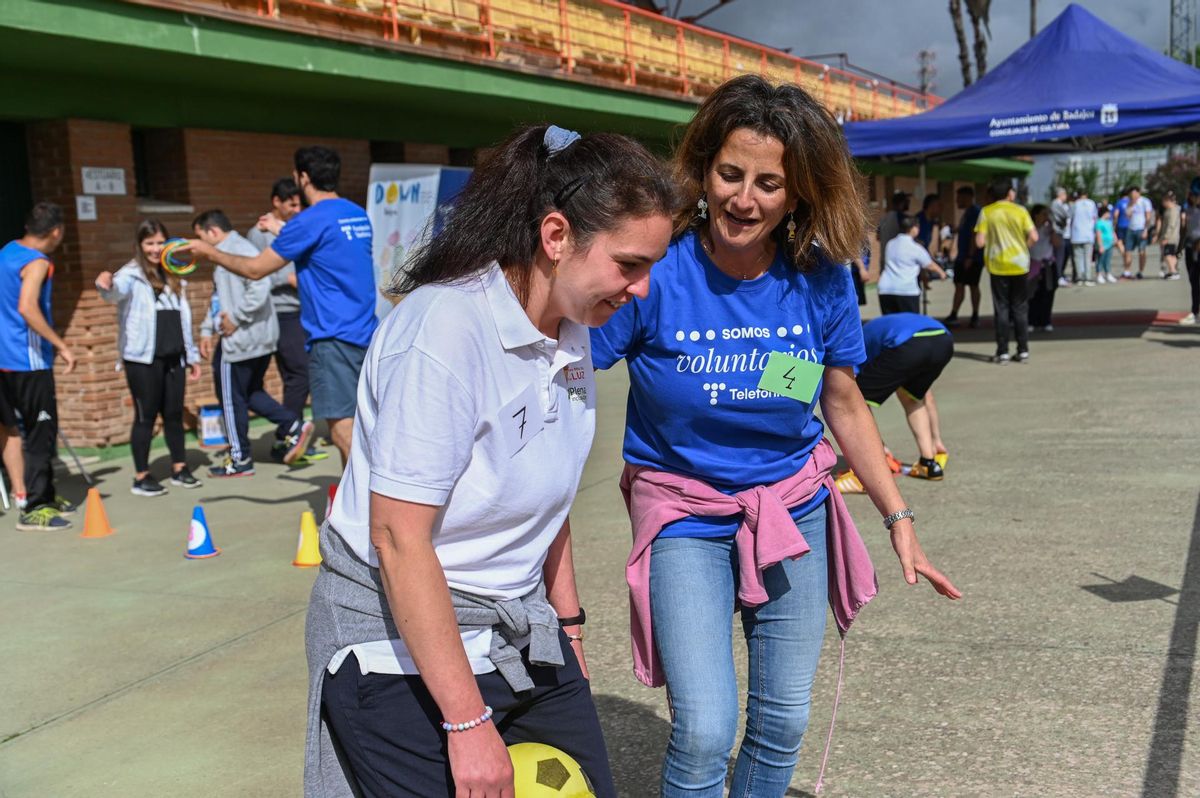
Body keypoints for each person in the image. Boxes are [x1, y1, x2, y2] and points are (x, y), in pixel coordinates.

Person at [591, 76, 960, 798]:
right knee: (702, 731)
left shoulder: (819, 278)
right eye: (731, 174)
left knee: (783, 722)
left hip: (792, 510)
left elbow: (841, 401)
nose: (744, 198)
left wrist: (899, 517)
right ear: (704, 169)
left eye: (769, 183)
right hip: (684, 519)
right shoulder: (658, 269)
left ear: (797, 194)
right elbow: (564, 366)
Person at [303, 125, 677, 798]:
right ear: (556, 236)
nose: (643, 288)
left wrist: (567, 628)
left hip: (518, 629)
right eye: (629, 264)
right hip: (401, 651)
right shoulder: (445, 328)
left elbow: (546, 496)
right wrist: (467, 720)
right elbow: (396, 536)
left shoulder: (571, 330)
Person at [181, 146, 377, 467]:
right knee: (365, 425)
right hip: (366, 333)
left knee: (343, 431)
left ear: (303, 177)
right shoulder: (356, 214)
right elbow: (327, 250)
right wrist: (281, 231)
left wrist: (208, 252)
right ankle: (358, 508)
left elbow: (255, 269)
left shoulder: (309, 221)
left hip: (332, 338)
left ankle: (367, 511)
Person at [193, 210, 313, 477]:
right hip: (257, 337)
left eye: (200, 237)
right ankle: (292, 424)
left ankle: (240, 458)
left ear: (212, 232)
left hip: (241, 340)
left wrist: (236, 318)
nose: (200, 245)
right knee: (249, 393)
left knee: (231, 397)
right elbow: (218, 298)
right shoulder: (228, 253)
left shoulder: (235, 251)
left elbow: (260, 286)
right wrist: (204, 330)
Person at [95, 220, 203, 496]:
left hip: (174, 356)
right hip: (142, 358)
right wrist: (104, 283)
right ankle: (141, 476)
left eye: (160, 242)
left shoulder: (175, 273)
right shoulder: (130, 274)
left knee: (174, 414)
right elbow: (113, 292)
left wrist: (191, 356)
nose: (156, 249)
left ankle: (180, 468)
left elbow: (184, 317)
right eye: (150, 243)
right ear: (140, 245)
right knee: (146, 415)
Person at [0, 202, 76, 530]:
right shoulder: (37, 262)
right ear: (56, 231)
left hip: (3, 361)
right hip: (27, 362)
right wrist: (61, 345)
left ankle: (39, 494)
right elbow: (28, 308)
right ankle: (34, 507)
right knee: (41, 431)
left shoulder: (7, 251)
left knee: (14, 429)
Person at [246, 178, 325, 463]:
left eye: (299, 203)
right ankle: (288, 435)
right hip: (280, 311)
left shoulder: (297, 226)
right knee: (298, 374)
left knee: (298, 376)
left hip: (301, 310)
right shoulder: (259, 232)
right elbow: (255, 269)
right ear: (275, 202)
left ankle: (292, 433)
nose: (296, 208)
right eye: (290, 203)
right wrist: (288, 278)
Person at [855, 313, 952, 480]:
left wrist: (880, 446)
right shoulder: (874, 329)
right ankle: (929, 463)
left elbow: (852, 390)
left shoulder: (854, 345)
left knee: (857, 401)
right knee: (913, 397)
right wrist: (936, 439)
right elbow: (927, 397)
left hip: (907, 343)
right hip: (943, 340)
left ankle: (876, 458)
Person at [976, 178, 1037, 364]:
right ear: (1009, 193)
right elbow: (1034, 236)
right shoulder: (1020, 211)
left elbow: (979, 242)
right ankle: (1023, 350)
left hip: (997, 265)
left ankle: (1002, 351)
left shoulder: (987, 212)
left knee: (1001, 308)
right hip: (1019, 264)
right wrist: (1023, 248)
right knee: (1020, 308)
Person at [878, 214, 946, 314]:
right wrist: (941, 273)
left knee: (892, 323)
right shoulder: (915, 247)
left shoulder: (890, 244)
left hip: (886, 289)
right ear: (913, 229)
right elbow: (929, 264)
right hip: (906, 290)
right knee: (910, 324)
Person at [945, 185, 984, 327]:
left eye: (959, 198)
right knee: (959, 285)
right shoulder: (967, 213)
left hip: (971, 258)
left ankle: (975, 315)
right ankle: (954, 313)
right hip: (962, 257)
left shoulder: (975, 212)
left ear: (968, 197)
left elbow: (975, 235)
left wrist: (970, 256)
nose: (956, 201)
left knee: (973, 285)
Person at [1027, 204, 1057, 331]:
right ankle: (1031, 320)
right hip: (1033, 264)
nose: (1046, 217)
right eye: (1043, 214)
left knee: (1047, 293)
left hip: (1047, 264)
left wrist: (1052, 230)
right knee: (1032, 294)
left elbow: (1057, 243)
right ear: (1036, 215)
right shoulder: (1029, 229)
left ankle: (1046, 320)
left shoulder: (1048, 229)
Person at [1068, 187, 1098, 286]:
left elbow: (1070, 217)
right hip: (1088, 234)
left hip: (1076, 234)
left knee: (1078, 257)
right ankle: (1088, 278)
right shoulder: (1091, 203)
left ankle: (1080, 277)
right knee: (1087, 257)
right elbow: (1095, 218)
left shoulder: (1074, 204)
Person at [1124, 186, 1154, 279]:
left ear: (1138, 193)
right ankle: (1127, 271)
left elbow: (1148, 217)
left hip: (1141, 229)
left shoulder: (1145, 201)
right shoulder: (1129, 202)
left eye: (1133, 194)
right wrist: (1132, 205)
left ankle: (1140, 271)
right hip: (1131, 228)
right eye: (1130, 194)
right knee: (1127, 251)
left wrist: (1146, 230)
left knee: (1141, 251)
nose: (1132, 196)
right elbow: (1127, 215)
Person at [876, 190, 908, 270]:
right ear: (902, 203)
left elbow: (878, 237)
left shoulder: (883, 219)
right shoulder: (902, 218)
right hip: (897, 261)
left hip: (885, 259)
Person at [1182, 184, 1200, 325]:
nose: (1193, 198)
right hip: (1191, 248)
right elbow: (1186, 230)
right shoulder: (1189, 210)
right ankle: (1195, 311)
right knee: (1194, 281)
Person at [1155, 190, 1182, 280]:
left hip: (1171, 238)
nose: (1163, 203)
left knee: (1167, 255)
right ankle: (1172, 271)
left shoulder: (1173, 211)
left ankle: (1173, 272)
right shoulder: (1169, 210)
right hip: (1170, 237)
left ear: (1168, 200)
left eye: (1164, 201)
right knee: (1171, 255)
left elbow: (1171, 225)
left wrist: (1166, 237)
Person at [1050, 187, 1071, 286]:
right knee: (1059, 256)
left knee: (1060, 256)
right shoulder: (1056, 203)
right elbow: (1065, 215)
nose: (1066, 196)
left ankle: (1058, 275)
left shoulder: (1059, 204)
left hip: (1060, 232)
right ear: (1060, 194)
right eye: (1065, 194)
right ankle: (1058, 277)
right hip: (1057, 232)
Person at [1095, 203, 1117, 284]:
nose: (1109, 214)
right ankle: (1099, 275)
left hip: (1109, 244)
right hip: (1102, 244)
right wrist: (1100, 245)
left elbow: (1112, 231)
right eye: (1108, 213)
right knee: (1100, 260)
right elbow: (1098, 234)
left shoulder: (1109, 222)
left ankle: (1108, 274)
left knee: (1108, 260)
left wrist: (1115, 238)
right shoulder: (1099, 222)